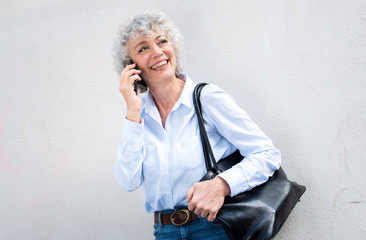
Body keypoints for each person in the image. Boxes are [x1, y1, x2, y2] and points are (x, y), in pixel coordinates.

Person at [113, 11, 281, 240]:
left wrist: (222, 184)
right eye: (143, 48)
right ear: (130, 67)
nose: (157, 52)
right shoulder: (138, 114)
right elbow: (128, 180)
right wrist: (132, 113)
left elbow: (267, 155)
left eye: (162, 41)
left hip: (216, 227)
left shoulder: (206, 99)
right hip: (165, 232)